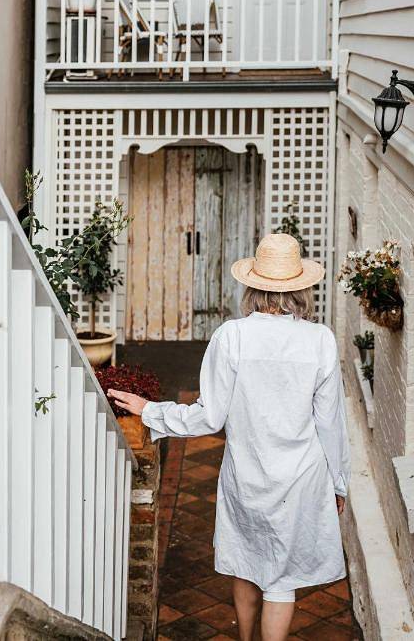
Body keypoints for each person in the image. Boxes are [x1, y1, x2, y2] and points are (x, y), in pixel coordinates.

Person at [109, 232, 351, 641]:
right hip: (301, 476)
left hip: (247, 473)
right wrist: (339, 482)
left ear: (252, 286)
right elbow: (331, 423)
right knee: (281, 579)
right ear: (300, 290)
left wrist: (152, 412)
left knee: (246, 560)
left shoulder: (232, 336)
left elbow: (210, 417)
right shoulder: (320, 341)